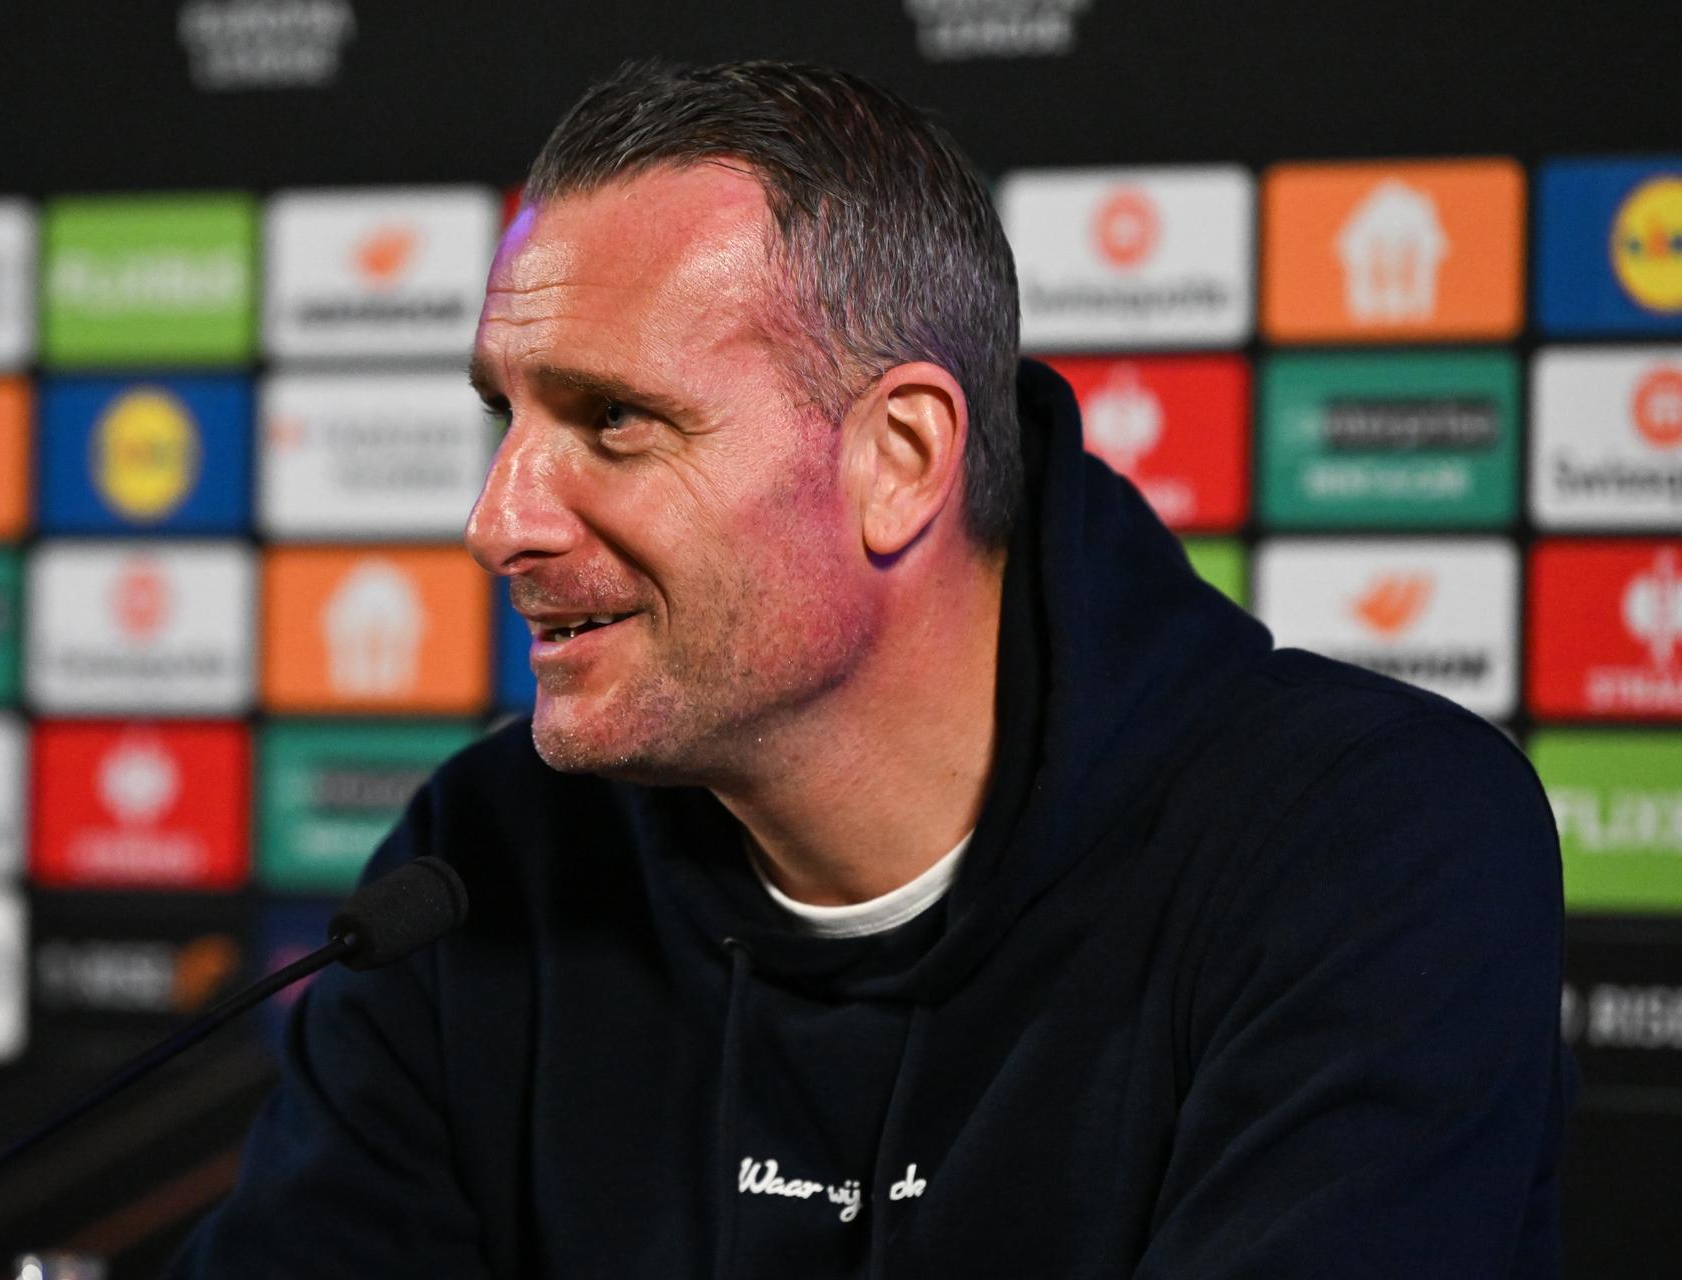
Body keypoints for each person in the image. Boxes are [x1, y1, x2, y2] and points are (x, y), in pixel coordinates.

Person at [172, 61, 1572, 1277]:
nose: (499, 522)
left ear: (897, 460)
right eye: (508, 416)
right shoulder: (480, 863)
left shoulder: (1365, 845)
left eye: (615, 421)